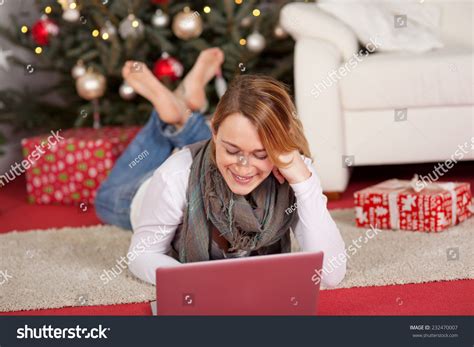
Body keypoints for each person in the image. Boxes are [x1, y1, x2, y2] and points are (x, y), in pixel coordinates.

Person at [95, 48, 346, 288]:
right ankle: (166, 114)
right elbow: (141, 256)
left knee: (225, 150)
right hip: (141, 191)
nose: (244, 167)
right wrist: (204, 281)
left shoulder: (293, 171)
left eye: (260, 154)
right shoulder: (174, 175)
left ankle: (181, 110)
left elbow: (330, 274)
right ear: (213, 131)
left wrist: (305, 183)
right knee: (105, 201)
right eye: (233, 150)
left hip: (205, 161)